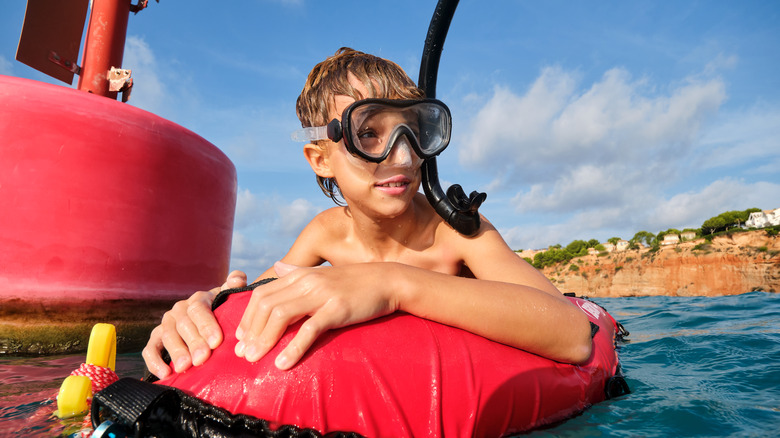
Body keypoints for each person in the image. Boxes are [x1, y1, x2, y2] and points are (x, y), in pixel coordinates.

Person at [143, 47, 592, 379]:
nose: (401, 157)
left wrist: (393, 282)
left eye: (413, 132)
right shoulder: (325, 235)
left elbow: (572, 333)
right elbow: (260, 296)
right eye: (368, 133)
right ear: (320, 158)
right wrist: (207, 306)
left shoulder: (456, 232)